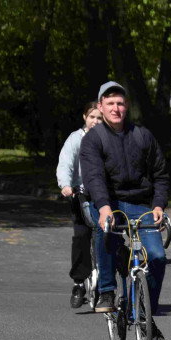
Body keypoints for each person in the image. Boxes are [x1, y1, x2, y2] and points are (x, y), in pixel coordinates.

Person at [80, 81, 170, 340]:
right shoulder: (93, 139)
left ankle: (143, 314)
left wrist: (158, 205)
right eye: (110, 104)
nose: (116, 108)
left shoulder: (143, 136)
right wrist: (104, 206)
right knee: (104, 229)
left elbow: (161, 174)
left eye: (120, 103)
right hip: (110, 202)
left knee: (157, 257)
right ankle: (107, 290)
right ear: (101, 107)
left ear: (126, 106)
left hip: (142, 204)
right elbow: (94, 176)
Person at [57, 102, 103, 308]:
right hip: (80, 193)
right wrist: (66, 185)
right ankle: (78, 284)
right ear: (84, 117)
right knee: (81, 236)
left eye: (99, 118)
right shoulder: (76, 139)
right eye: (92, 117)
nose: (95, 121)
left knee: (109, 236)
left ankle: (108, 284)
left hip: (103, 196)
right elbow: (65, 163)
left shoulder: (109, 138)